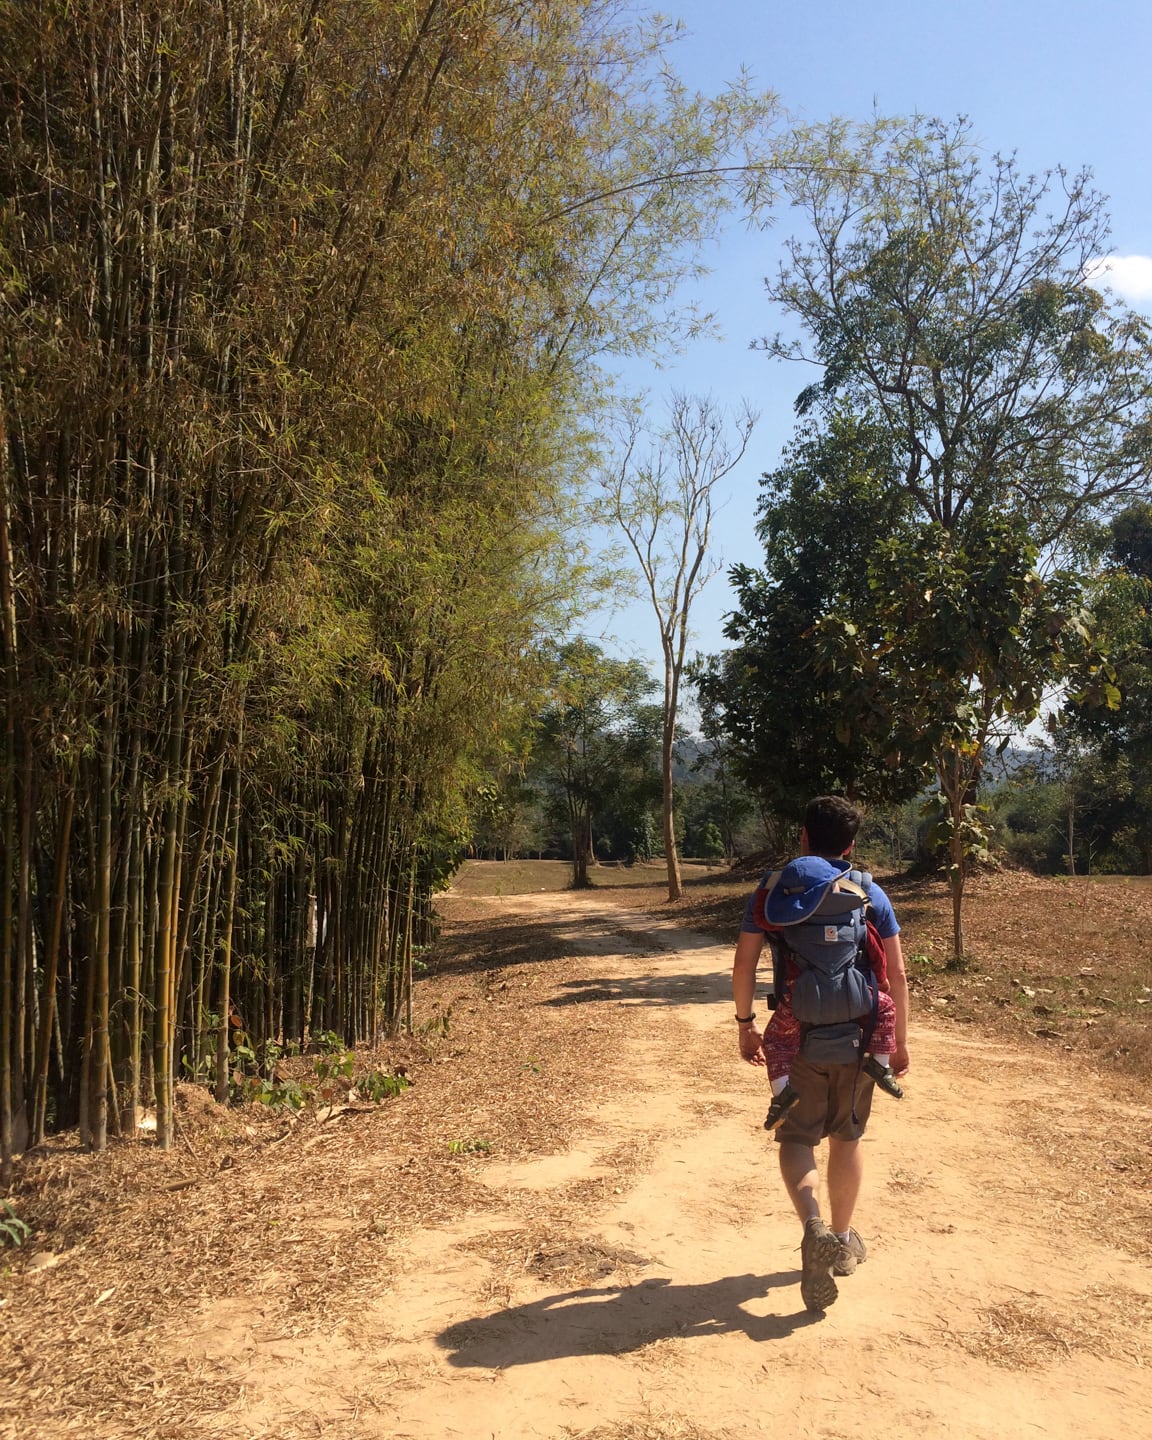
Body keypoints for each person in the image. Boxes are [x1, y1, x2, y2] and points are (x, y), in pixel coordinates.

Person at [731, 795, 910, 1313]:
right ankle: (843, 1240)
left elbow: (744, 966)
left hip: (797, 1029)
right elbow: (895, 975)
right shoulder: (868, 891)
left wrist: (746, 1026)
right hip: (860, 1033)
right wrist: (898, 1043)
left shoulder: (774, 890)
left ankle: (812, 1225)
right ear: (850, 844)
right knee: (847, 1137)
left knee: (797, 1138)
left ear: (804, 837)